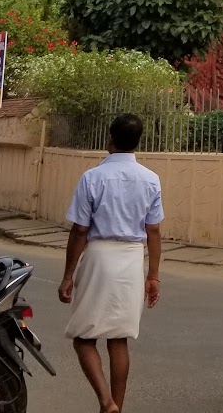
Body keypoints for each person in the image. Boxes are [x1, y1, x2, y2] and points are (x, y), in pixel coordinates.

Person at [59, 113, 164, 413]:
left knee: (83, 336)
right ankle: (118, 405)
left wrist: (68, 275)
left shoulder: (92, 178)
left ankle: (106, 402)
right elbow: (153, 231)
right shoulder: (150, 180)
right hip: (132, 260)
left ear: (110, 139)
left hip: (99, 257)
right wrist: (153, 276)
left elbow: (80, 230)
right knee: (119, 339)